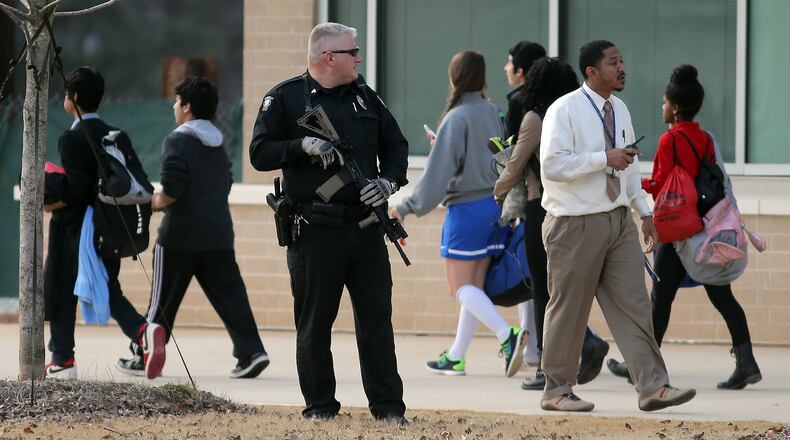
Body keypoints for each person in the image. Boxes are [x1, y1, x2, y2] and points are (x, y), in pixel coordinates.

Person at [249, 23, 408, 423]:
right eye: (352, 52)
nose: (358, 58)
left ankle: (389, 409)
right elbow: (259, 152)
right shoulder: (285, 98)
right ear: (328, 57)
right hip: (315, 231)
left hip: (366, 228)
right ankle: (320, 407)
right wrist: (302, 145)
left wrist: (386, 182)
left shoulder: (365, 97)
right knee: (315, 325)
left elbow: (397, 146)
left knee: (376, 323)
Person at [537, 40, 696, 412]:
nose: (622, 67)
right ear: (591, 72)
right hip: (573, 224)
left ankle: (653, 387)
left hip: (618, 221)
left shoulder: (620, 109)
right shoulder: (565, 110)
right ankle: (557, 391)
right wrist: (601, 158)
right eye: (613, 62)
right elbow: (552, 165)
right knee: (569, 310)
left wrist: (644, 212)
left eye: (622, 61)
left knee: (636, 305)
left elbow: (630, 165)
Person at [607, 65, 762, 390]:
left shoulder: (670, 140)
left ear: (674, 108)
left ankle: (641, 366)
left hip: (678, 230)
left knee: (660, 299)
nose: (662, 107)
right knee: (722, 295)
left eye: (664, 102)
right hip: (705, 230)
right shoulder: (706, 139)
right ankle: (746, 361)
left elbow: (664, 185)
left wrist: (635, 181)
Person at [116, 76, 270, 380]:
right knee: (231, 297)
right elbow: (224, 182)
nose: (174, 106)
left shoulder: (178, 140)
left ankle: (141, 355)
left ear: (186, 107)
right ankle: (252, 352)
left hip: (179, 237)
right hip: (218, 234)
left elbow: (171, 189)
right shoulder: (217, 142)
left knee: (161, 301)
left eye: (176, 101)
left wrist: (151, 202)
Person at [391, 51, 526, 379]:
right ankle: (456, 356)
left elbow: (439, 177)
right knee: (474, 286)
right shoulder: (494, 111)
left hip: (466, 211)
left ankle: (506, 334)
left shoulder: (456, 118)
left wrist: (405, 207)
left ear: (455, 78)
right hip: (495, 207)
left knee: (459, 288)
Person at [494, 57, 610, 391]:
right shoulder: (578, 113)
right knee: (563, 288)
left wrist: (498, 190)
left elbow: (515, 164)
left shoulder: (535, 117)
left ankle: (550, 366)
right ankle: (582, 344)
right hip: (580, 208)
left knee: (543, 289)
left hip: (542, 209)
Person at [42, 66, 160, 379]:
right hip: (110, 227)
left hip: (77, 229)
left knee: (61, 289)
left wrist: (50, 193)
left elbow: (79, 188)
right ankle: (142, 332)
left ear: (74, 97)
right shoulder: (114, 133)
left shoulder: (73, 137)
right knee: (108, 287)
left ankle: (62, 359)